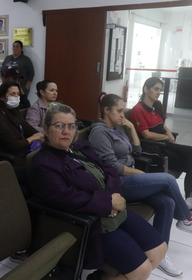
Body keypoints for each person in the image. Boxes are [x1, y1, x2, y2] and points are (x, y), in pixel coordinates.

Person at [30, 103, 167, 280]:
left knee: (159, 251)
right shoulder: (44, 164)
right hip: (90, 224)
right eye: (59, 125)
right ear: (46, 129)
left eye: (71, 126)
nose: (66, 131)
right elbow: (64, 198)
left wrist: (114, 197)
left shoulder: (81, 147)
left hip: (115, 210)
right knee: (142, 271)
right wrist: (107, 202)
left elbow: (109, 170)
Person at [89, 93, 192, 277]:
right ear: (106, 110)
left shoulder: (118, 127)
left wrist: (130, 129)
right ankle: (185, 218)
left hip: (131, 177)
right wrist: (140, 174)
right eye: (119, 111)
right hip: (117, 183)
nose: (123, 115)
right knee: (167, 179)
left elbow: (136, 151)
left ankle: (160, 256)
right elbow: (112, 166)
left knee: (167, 202)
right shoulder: (99, 131)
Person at [130, 77, 192, 204]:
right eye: (156, 89)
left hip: (164, 143)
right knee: (189, 161)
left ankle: (190, 198)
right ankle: (189, 199)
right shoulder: (138, 110)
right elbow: (146, 135)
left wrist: (168, 131)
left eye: (160, 90)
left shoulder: (157, 104)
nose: (158, 92)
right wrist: (166, 137)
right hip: (154, 146)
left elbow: (161, 123)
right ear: (146, 89)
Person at [1, 40, 35, 108]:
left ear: (21, 48)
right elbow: (2, 71)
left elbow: (31, 73)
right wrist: (3, 83)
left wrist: (26, 87)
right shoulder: (7, 58)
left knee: (20, 104)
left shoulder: (26, 59)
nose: (15, 48)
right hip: (7, 86)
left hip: (21, 86)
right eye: (14, 46)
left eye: (17, 47)